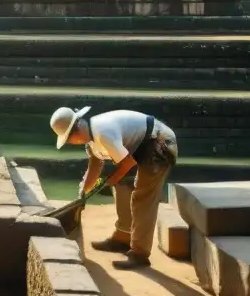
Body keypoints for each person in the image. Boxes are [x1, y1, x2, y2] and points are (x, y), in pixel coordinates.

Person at [50, 106, 179, 269]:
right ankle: (122, 238)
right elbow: (94, 168)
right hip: (140, 146)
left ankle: (140, 254)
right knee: (121, 185)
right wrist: (82, 193)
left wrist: (110, 180)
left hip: (159, 142)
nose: (70, 143)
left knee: (142, 197)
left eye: (68, 140)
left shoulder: (103, 133)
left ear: (75, 133)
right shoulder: (91, 141)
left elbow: (127, 163)